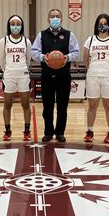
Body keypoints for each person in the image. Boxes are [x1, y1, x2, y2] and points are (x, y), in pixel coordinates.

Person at [31, 9, 79, 142]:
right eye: (52, 16)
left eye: (58, 16)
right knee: (48, 106)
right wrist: (43, 57)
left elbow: (76, 52)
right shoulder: (42, 35)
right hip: (47, 75)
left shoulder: (69, 35)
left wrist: (66, 58)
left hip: (64, 75)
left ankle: (60, 133)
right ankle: (48, 132)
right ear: (48, 19)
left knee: (62, 106)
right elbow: (34, 52)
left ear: (61, 19)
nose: (55, 18)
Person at [82, 13, 109, 143]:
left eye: (105, 24)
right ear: (96, 26)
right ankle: (89, 131)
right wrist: (94, 69)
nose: (103, 26)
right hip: (93, 76)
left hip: (108, 76)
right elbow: (85, 59)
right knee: (92, 105)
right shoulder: (91, 39)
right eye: (100, 24)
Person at [0, 15, 33, 141]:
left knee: (26, 104)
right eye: (13, 24)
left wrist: (22, 69)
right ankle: (7, 131)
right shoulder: (4, 41)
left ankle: (27, 131)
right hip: (9, 75)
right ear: (9, 25)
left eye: (18, 24)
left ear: (22, 26)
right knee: (7, 104)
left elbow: (28, 60)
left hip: (23, 75)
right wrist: (7, 71)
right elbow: (1, 60)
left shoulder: (26, 41)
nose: (15, 26)